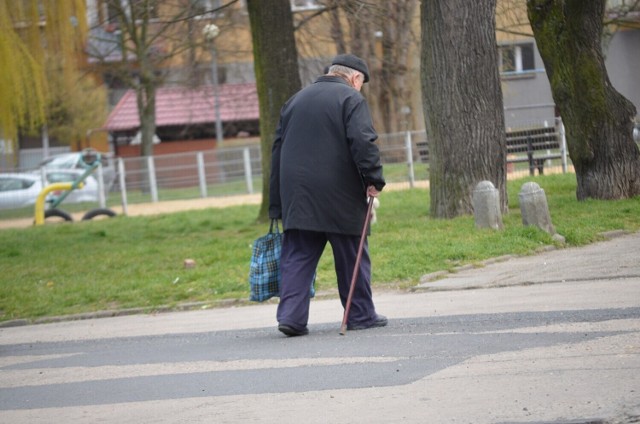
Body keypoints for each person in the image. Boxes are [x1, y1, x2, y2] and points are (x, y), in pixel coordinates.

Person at [269, 53, 387, 337]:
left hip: (297, 193)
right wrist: (374, 179)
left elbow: (277, 151)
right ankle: (359, 314)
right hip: (340, 192)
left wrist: (277, 203)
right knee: (351, 253)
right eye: (361, 83)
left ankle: (291, 319)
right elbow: (362, 140)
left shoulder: (294, 100)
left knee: (298, 255)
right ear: (355, 78)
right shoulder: (350, 99)